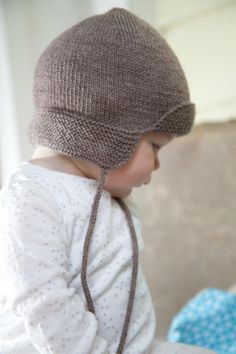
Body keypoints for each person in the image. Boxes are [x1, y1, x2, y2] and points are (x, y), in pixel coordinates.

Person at [0, 7, 215, 354]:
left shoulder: (106, 193)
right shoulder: (31, 198)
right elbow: (47, 306)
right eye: (156, 146)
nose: (158, 164)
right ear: (104, 135)